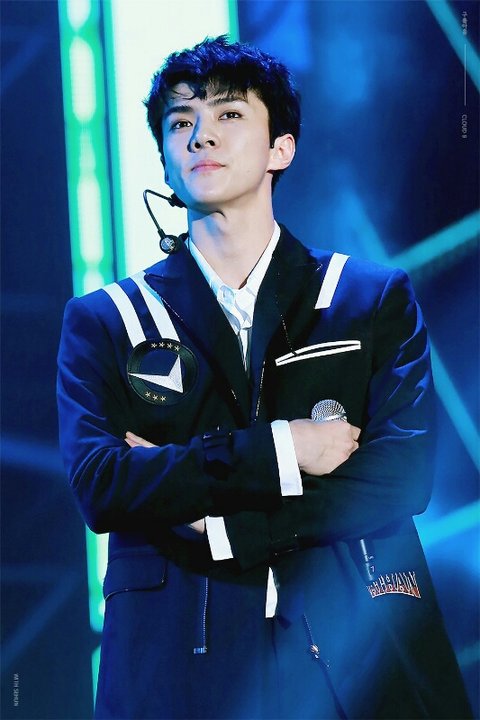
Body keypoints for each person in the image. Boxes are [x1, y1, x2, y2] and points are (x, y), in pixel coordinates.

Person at [57, 35, 472, 720]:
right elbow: (103, 484)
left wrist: (223, 524)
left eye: (228, 115)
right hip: (178, 672)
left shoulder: (368, 299)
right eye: (181, 122)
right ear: (163, 158)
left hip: (357, 660)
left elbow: (401, 477)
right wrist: (284, 448)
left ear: (281, 148)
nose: (200, 135)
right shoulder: (106, 319)